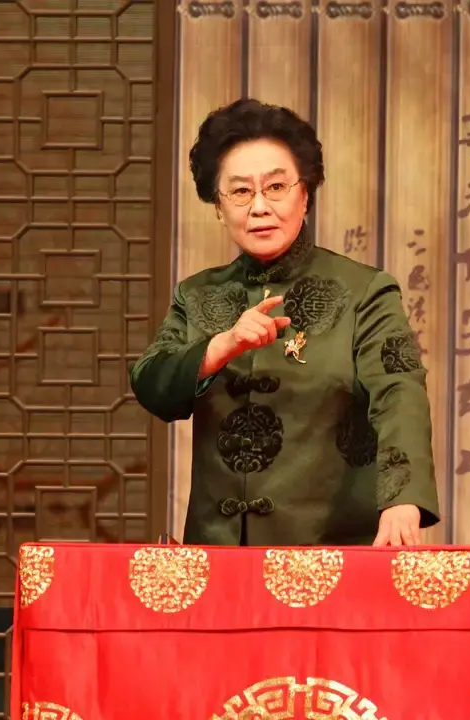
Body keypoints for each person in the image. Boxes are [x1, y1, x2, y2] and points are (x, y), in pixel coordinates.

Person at [130, 98, 440, 548]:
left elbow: (399, 392)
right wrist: (219, 348)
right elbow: (151, 384)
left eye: (276, 187)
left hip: (329, 553)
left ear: (305, 194)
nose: (259, 207)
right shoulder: (197, 295)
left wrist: (403, 498)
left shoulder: (363, 291)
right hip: (218, 554)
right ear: (218, 206)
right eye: (240, 192)